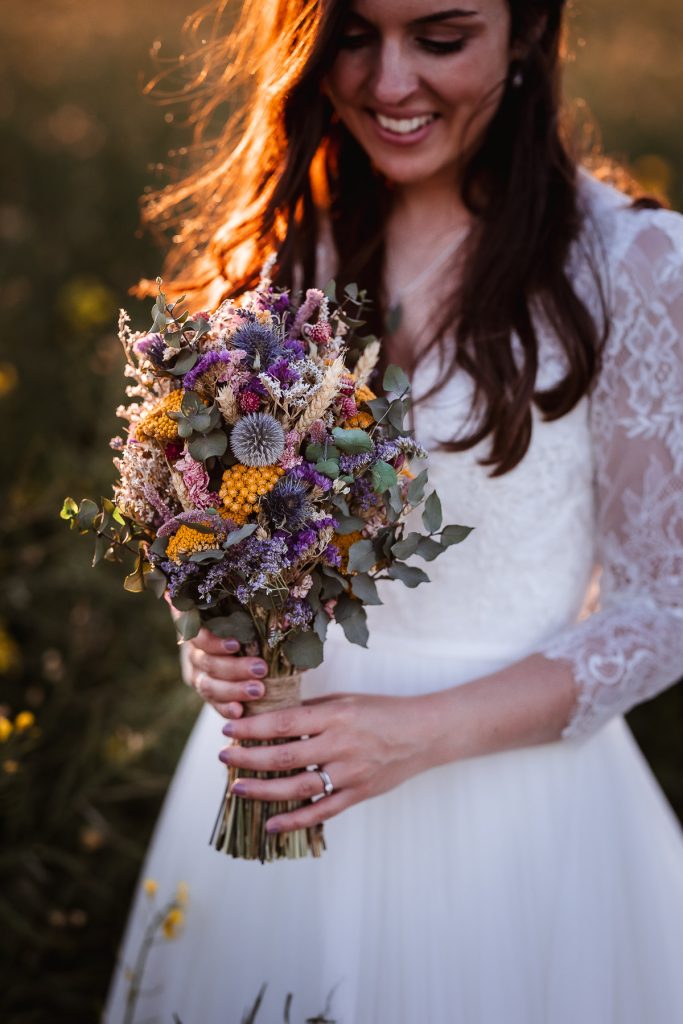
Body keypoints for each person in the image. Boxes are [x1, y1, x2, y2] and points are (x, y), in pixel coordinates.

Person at [104, 0, 683, 1021]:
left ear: (528, 33)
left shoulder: (630, 265)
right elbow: (210, 517)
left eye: (441, 38)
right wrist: (211, 634)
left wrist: (414, 736)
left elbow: (662, 611)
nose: (387, 84)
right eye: (354, 37)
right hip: (272, 804)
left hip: (521, 823)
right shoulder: (276, 250)